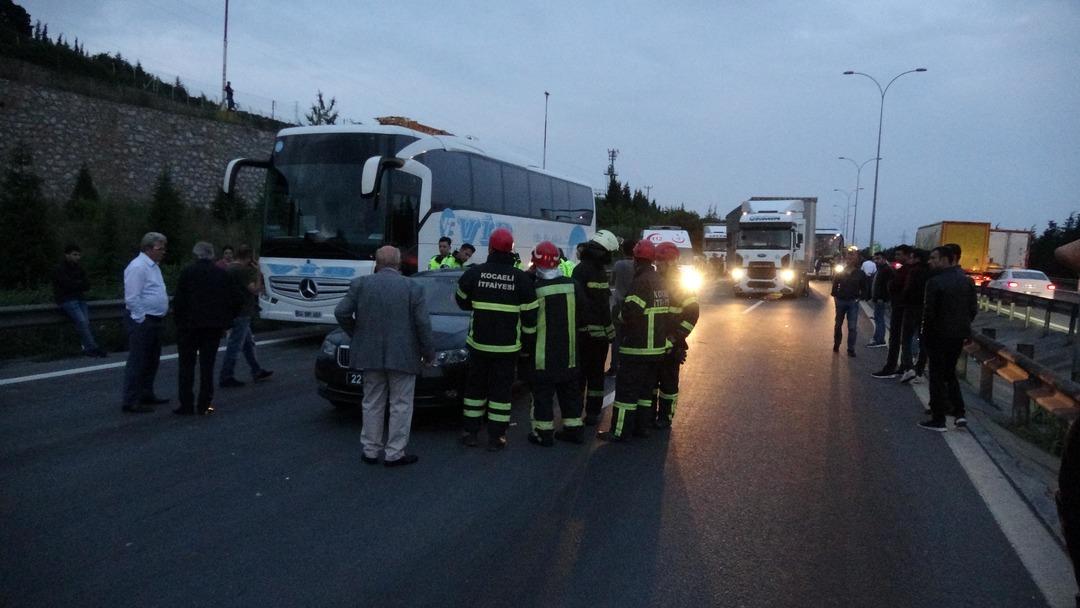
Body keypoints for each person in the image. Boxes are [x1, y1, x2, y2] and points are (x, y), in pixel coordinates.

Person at [335, 246, 435, 466]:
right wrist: (428, 353)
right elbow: (422, 324)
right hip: (403, 355)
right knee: (400, 404)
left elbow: (341, 312)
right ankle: (394, 452)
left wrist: (356, 333)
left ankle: (370, 450)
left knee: (372, 401)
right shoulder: (412, 288)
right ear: (399, 263)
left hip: (369, 354)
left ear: (377, 263)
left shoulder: (360, 285)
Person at [455, 228, 538, 451]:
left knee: (474, 390)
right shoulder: (521, 279)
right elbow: (531, 319)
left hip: (478, 346)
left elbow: (461, 300)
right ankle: (496, 437)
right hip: (507, 349)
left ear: (490, 248)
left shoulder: (475, 273)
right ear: (511, 250)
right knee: (501, 394)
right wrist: (528, 347)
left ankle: (471, 433)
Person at [599, 239, 670, 442]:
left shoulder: (640, 282)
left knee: (626, 394)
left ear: (636, 260)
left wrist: (618, 315)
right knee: (645, 393)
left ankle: (620, 431)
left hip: (637, 348)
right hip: (656, 349)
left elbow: (629, 314)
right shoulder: (659, 280)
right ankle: (642, 428)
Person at [524, 241, 587, 446]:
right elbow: (584, 314)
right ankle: (574, 429)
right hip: (569, 353)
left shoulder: (534, 289)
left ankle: (544, 434)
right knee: (570, 393)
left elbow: (529, 324)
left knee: (542, 395)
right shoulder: (572, 285)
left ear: (535, 263)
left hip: (543, 355)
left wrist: (525, 349)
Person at [173, 242, 241, 416]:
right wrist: (226, 322)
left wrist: (179, 323)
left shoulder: (187, 273)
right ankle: (205, 404)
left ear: (196, 255)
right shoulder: (221, 274)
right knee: (207, 366)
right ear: (212, 255)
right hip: (212, 327)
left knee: (186, 366)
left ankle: (186, 404)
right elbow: (233, 300)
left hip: (189, 327)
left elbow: (179, 301)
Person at [918, 245, 977, 432]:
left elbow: (929, 313)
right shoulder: (968, 281)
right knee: (950, 373)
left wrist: (924, 336)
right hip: (958, 336)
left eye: (934, 258)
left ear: (947, 259)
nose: (930, 261)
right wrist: (963, 330)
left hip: (937, 335)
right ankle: (959, 413)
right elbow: (972, 310)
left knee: (936, 375)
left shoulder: (935, 282)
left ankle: (938, 418)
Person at [572, 230, 619, 425]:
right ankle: (592, 413)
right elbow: (601, 306)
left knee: (579, 377)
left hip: (580, 335)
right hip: (596, 338)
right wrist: (611, 332)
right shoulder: (597, 272)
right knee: (595, 377)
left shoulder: (580, 269)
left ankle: (573, 413)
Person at [121, 232, 170, 413]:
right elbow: (132, 297)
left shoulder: (153, 267)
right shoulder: (138, 267)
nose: (163, 251)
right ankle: (131, 399)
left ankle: (146, 393)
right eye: (160, 248)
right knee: (138, 360)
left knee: (152, 360)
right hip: (143, 320)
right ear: (148, 248)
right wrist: (141, 318)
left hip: (155, 319)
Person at [652, 241, 699, 428]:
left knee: (669, 383)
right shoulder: (655, 279)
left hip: (672, 344)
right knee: (652, 382)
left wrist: (677, 337)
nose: (659, 265)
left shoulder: (682, 284)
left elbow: (692, 314)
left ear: (671, 262)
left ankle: (665, 417)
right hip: (655, 340)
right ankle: (649, 415)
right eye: (657, 261)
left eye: (662, 261)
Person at [219, 245, 273, 387]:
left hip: (232, 310)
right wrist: (258, 272)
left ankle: (256, 369)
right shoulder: (242, 270)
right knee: (235, 345)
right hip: (242, 312)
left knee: (248, 343)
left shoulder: (229, 268)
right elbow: (255, 290)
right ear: (249, 257)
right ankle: (226, 375)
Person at [52, 244, 106, 358]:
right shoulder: (59, 268)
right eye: (74, 254)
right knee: (82, 322)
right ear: (67, 255)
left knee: (85, 323)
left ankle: (87, 348)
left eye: (78, 255)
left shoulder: (79, 268)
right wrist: (78, 284)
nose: (77, 257)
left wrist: (76, 284)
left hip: (80, 299)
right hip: (67, 300)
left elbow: (87, 284)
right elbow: (67, 285)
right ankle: (93, 348)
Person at [872, 245, 913, 378]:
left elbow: (894, 286)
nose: (896, 257)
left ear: (908, 255)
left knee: (897, 338)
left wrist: (888, 292)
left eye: (899, 255)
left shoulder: (905, 271)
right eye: (896, 255)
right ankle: (904, 367)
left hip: (901, 308)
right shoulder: (903, 270)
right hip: (902, 307)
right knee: (903, 339)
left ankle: (893, 367)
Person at [897, 249, 931, 382]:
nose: (909, 260)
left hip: (911, 308)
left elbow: (908, 289)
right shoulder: (931, 273)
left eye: (911, 257)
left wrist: (902, 300)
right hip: (925, 310)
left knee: (906, 339)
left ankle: (909, 368)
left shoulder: (914, 272)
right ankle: (919, 370)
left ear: (917, 259)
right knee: (923, 341)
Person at [607, 239, 636, 376]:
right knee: (632, 336)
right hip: (633, 306)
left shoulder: (618, 264)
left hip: (618, 305)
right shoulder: (637, 265)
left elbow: (612, 281)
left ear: (623, 250)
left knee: (617, 339)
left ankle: (614, 366)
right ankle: (629, 365)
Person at [831, 249, 866, 357]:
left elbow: (864, 288)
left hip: (852, 302)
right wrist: (836, 297)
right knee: (838, 325)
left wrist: (859, 298)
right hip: (840, 301)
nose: (850, 259)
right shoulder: (840, 271)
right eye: (848, 257)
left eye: (853, 257)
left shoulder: (860, 273)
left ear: (857, 259)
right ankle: (836, 344)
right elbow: (835, 286)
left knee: (852, 327)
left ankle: (851, 348)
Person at [867, 251, 893, 348]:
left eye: (878, 258)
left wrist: (882, 298)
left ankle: (880, 339)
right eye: (875, 259)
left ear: (884, 259)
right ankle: (877, 337)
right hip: (878, 299)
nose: (876, 261)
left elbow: (887, 286)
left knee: (879, 319)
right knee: (878, 318)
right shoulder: (881, 269)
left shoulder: (886, 270)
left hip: (881, 300)